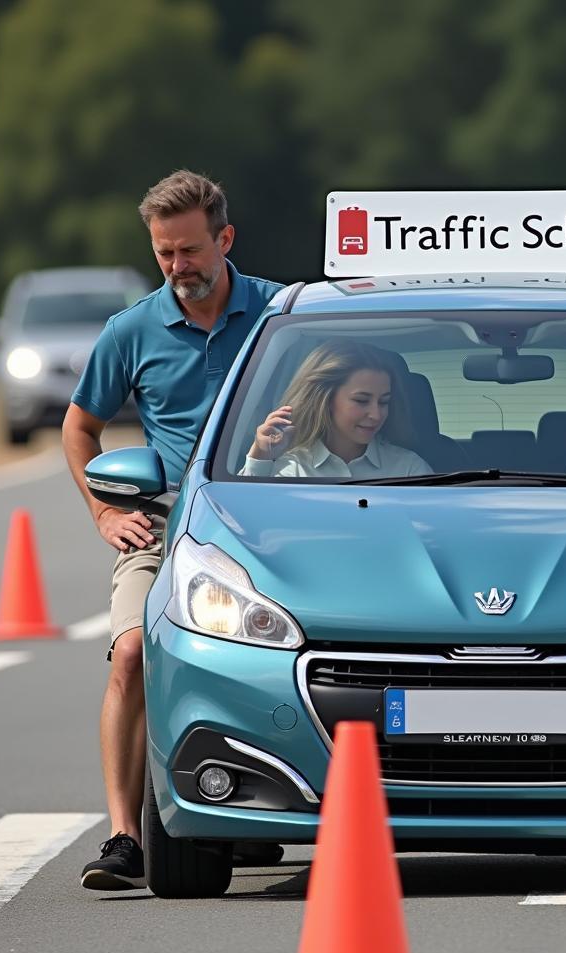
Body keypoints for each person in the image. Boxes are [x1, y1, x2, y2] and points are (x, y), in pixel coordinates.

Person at [63, 170, 285, 890]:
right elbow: (80, 425)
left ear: (225, 239)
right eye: (164, 254)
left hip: (275, 524)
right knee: (131, 654)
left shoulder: (281, 314)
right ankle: (127, 837)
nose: (178, 268)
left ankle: (250, 803)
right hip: (167, 525)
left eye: (189, 251)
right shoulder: (132, 329)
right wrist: (104, 510)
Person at [240, 340, 433, 479]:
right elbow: (242, 519)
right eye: (361, 400)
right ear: (325, 399)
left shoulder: (409, 468)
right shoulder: (289, 468)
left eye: (384, 402)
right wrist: (260, 457)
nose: (376, 414)